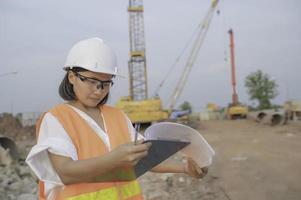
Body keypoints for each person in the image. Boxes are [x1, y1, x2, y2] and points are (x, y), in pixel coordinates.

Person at [26, 37, 208, 200]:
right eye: (91, 81)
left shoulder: (117, 116)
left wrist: (184, 169)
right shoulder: (56, 119)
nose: (99, 90)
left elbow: (145, 159)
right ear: (72, 77)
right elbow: (66, 172)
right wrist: (115, 158)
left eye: (106, 83)